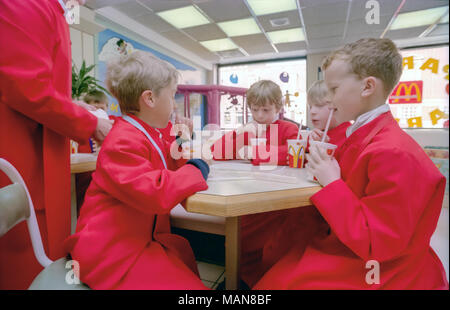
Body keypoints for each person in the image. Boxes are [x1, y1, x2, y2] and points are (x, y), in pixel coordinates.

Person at [254, 38, 448, 290]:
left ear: (367, 87)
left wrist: (332, 181)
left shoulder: (392, 152)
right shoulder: (363, 136)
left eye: (333, 90)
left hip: (380, 266)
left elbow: (378, 242)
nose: (330, 100)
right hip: (351, 244)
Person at [64, 50, 210, 290]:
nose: (174, 106)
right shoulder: (122, 140)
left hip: (133, 240)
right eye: (172, 97)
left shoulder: (141, 132)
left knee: (182, 255)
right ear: (150, 99)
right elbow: (156, 192)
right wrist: (197, 168)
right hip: (110, 253)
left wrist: (182, 142)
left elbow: (166, 157)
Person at [0, 0, 113, 289]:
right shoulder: (28, 4)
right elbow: (27, 89)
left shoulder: (47, 9)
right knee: (23, 265)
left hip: (39, 156)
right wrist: (90, 124)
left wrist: (72, 107)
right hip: (24, 159)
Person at [211, 80, 299, 289]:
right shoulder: (247, 129)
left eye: (266, 110)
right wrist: (243, 136)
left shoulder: (288, 128)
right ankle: (240, 276)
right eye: (255, 110)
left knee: (271, 246)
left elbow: (295, 153)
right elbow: (216, 151)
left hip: (277, 201)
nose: (260, 116)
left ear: (279, 108)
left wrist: (257, 153)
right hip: (248, 195)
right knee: (242, 240)